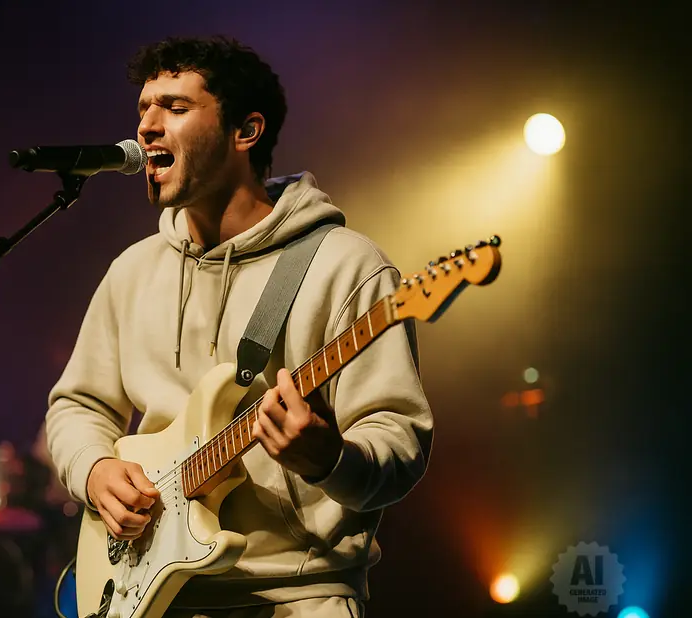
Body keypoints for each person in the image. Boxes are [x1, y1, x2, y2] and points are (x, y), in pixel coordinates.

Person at [44, 36, 433, 618]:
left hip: (297, 598)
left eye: (175, 107)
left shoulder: (345, 266)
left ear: (245, 131)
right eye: (144, 109)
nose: (147, 126)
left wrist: (329, 459)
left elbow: (400, 441)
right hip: (152, 596)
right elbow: (78, 404)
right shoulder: (134, 269)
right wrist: (94, 469)